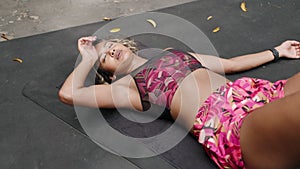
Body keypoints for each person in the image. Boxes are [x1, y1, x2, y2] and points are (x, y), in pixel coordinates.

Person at [59, 35, 300, 169]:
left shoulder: (172, 52)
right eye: (105, 57)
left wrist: (277, 51)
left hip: (254, 93)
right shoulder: (124, 88)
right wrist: (88, 57)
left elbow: (230, 64)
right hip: (232, 125)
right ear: (109, 74)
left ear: (124, 43)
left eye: (111, 45)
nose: (111, 51)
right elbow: (69, 94)